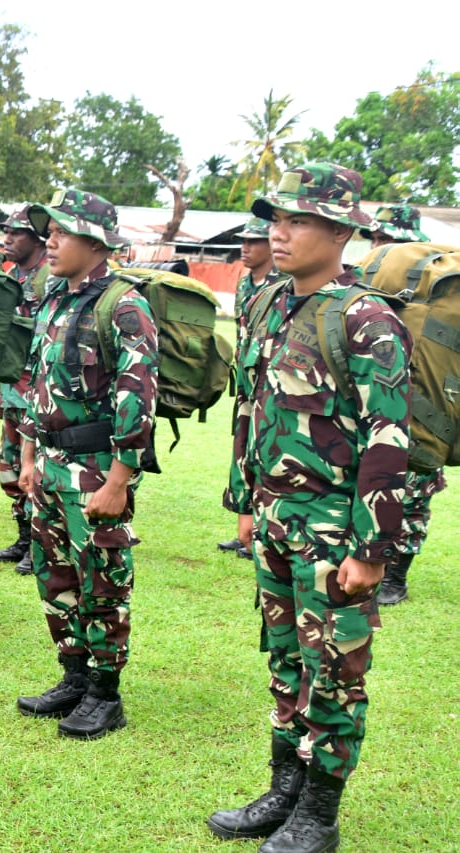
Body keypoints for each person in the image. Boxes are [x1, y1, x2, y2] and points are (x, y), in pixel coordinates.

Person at [209, 163, 410, 851]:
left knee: (336, 668)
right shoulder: (268, 303)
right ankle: (284, 789)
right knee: (287, 657)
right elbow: (249, 406)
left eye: (297, 219)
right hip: (273, 518)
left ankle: (318, 813)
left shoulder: (366, 318)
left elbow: (389, 437)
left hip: (334, 526)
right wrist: (243, 500)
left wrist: (370, 547)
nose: (279, 230)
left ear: (341, 229)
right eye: (277, 217)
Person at [14, 189, 158, 741]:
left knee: (103, 582)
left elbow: (136, 396)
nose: (49, 240)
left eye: (62, 232)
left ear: (95, 242)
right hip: (50, 464)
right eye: (47, 230)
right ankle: (73, 676)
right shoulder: (54, 299)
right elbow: (37, 381)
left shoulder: (123, 305)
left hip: (96, 466)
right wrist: (28, 454)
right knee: (56, 580)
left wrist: (120, 479)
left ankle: (105, 694)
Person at [358, 203, 444, 606]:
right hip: (377, 398)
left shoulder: (432, 288)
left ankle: (396, 577)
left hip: (420, 402)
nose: (380, 247)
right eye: (377, 239)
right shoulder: (367, 283)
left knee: (413, 493)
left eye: (388, 239)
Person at [217, 215, 284, 559]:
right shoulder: (245, 283)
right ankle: (245, 526)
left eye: (253, 241)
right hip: (246, 379)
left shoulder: (283, 283)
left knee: (269, 453)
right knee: (243, 452)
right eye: (243, 241)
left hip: (271, 384)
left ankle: (263, 528)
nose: (245, 247)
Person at [0, 206, 47, 573]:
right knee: (10, 468)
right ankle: (24, 537)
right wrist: (0, 388)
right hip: (14, 387)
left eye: (17, 233)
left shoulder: (49, 279)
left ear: (37, 239)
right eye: (6, 231)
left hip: (39, 392)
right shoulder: (11, 278)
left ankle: (39, 544)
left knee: (35, 468)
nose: (7, 238)